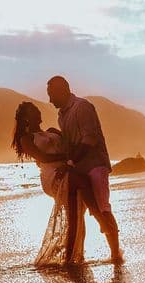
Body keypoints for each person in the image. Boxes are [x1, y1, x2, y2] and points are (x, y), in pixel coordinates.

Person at [46, 75, 123, 263]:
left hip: (95, 165)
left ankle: (115, 252)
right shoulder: (62, 115)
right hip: (79, 167)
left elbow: (89, 140)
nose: (49, 100)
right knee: (78, 214)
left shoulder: (83, 107)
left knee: (102, 209)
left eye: (51, 95)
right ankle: (75, 255)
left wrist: (70, 162)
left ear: (62, 90)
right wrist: (59, 136)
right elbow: (72, 141)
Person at [11, 101, 86, 266]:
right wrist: (66, 160)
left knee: (76, 212)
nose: (38, 112)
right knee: (74, 206)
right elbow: (43, 158)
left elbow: (71, 145)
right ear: (26, 119)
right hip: (52, 175)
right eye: (33, 111)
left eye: (37, 109)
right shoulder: (27, 139)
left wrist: (69, 160)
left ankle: (75, 253)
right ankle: (69, 258)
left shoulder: (52, 131)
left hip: (68, 169)